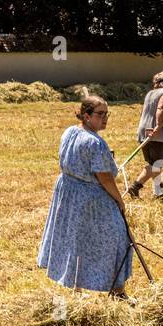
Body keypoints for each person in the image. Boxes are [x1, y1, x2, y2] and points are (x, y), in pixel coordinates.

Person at [36, 94, 131, 297]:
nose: (105, 118)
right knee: (118, 237)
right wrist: (119, 200)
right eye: (100, 114)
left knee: (75, 238)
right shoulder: (95, 143)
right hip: (89, 199)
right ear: (86, 116)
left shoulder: (70, 131)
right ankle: (117, 291)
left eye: (107, 114)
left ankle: (77, 287)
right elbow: (105, 178)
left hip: (68, 192)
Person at [127, 71, 163, 200]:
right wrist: (158, 125)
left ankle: (159, 193)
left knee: (153, 163)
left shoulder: (149, 94)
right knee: (156, 165)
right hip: (157, 133)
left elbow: (142, 112)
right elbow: (161, 108)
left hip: (144, 130)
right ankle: (135, 186)